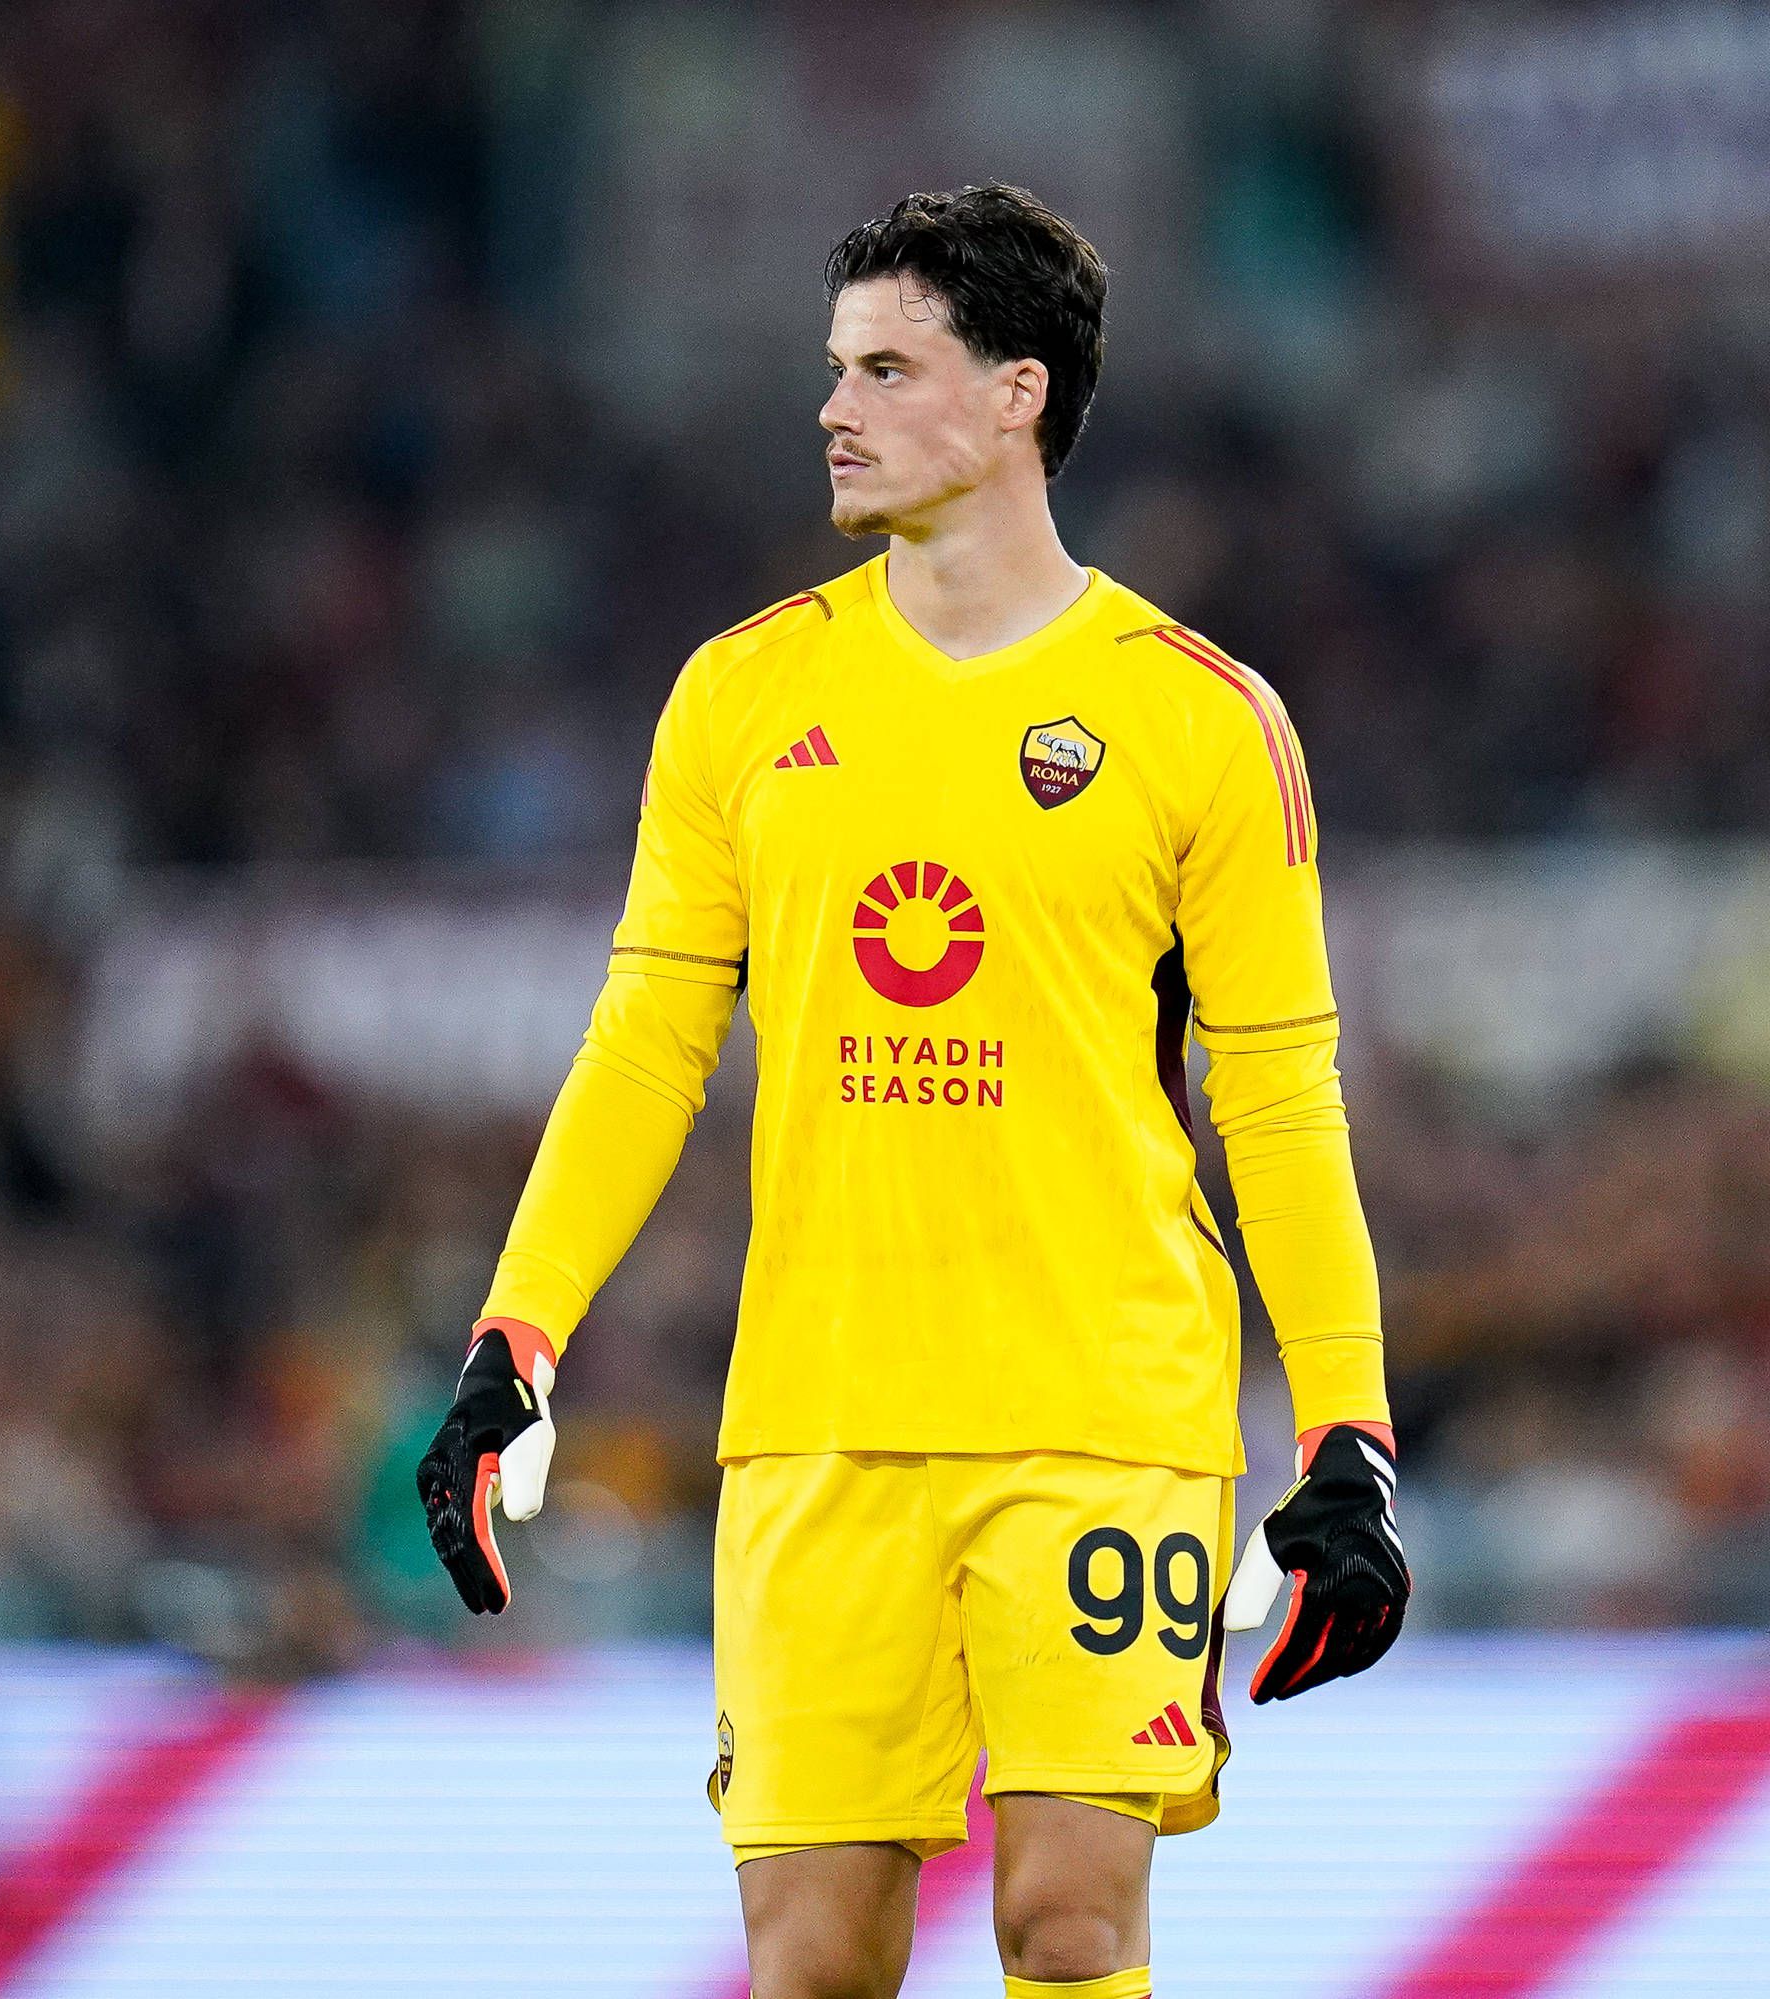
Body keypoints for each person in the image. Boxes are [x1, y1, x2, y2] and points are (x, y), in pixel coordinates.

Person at [417, 184, 1406, 1999]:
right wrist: (516, 1337)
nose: (834, 407)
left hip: (1101, 1406)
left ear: (1020, 394)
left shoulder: (1199, 717)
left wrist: (1346, 1429)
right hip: (822, 1415)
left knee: (1070, 1917)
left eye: (887, 368)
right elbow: (646, 1041)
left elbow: (1280, 1098)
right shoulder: (740, 697)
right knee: (814, 1951)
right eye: (835, 367)